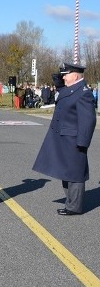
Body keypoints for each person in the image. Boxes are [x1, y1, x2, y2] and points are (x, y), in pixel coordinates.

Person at [33, 63, 96, 215]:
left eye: (66, 74)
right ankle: (71, 202)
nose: (63, 77)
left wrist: (83, 142)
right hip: (63, 138)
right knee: (66, 172)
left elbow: (88, 120)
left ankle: (74, 206)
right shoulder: (71, 89)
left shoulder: (83, 92)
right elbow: (59, 83)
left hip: (74, 139)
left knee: (75, 174)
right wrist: (62, 74)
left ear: (75, 76)